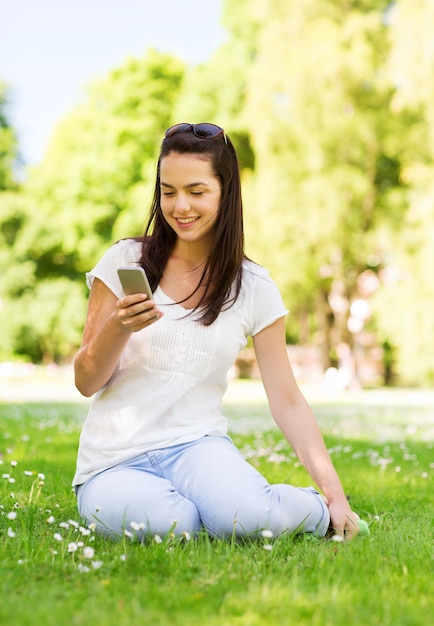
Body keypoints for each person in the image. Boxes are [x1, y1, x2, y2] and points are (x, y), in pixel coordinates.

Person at [73, 122, 360, 541]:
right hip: (113, 460)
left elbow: (287, 400)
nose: (180, 206)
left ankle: (311, 511)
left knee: (246, 519)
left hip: (197, 447)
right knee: (173, 526)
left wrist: (334, 495)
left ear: (226, 192)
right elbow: (85, 380)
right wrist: (118, 326)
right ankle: (202, 511)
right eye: (168, 191)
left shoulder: (254, 287)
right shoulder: (125, 260)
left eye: (196, 191)